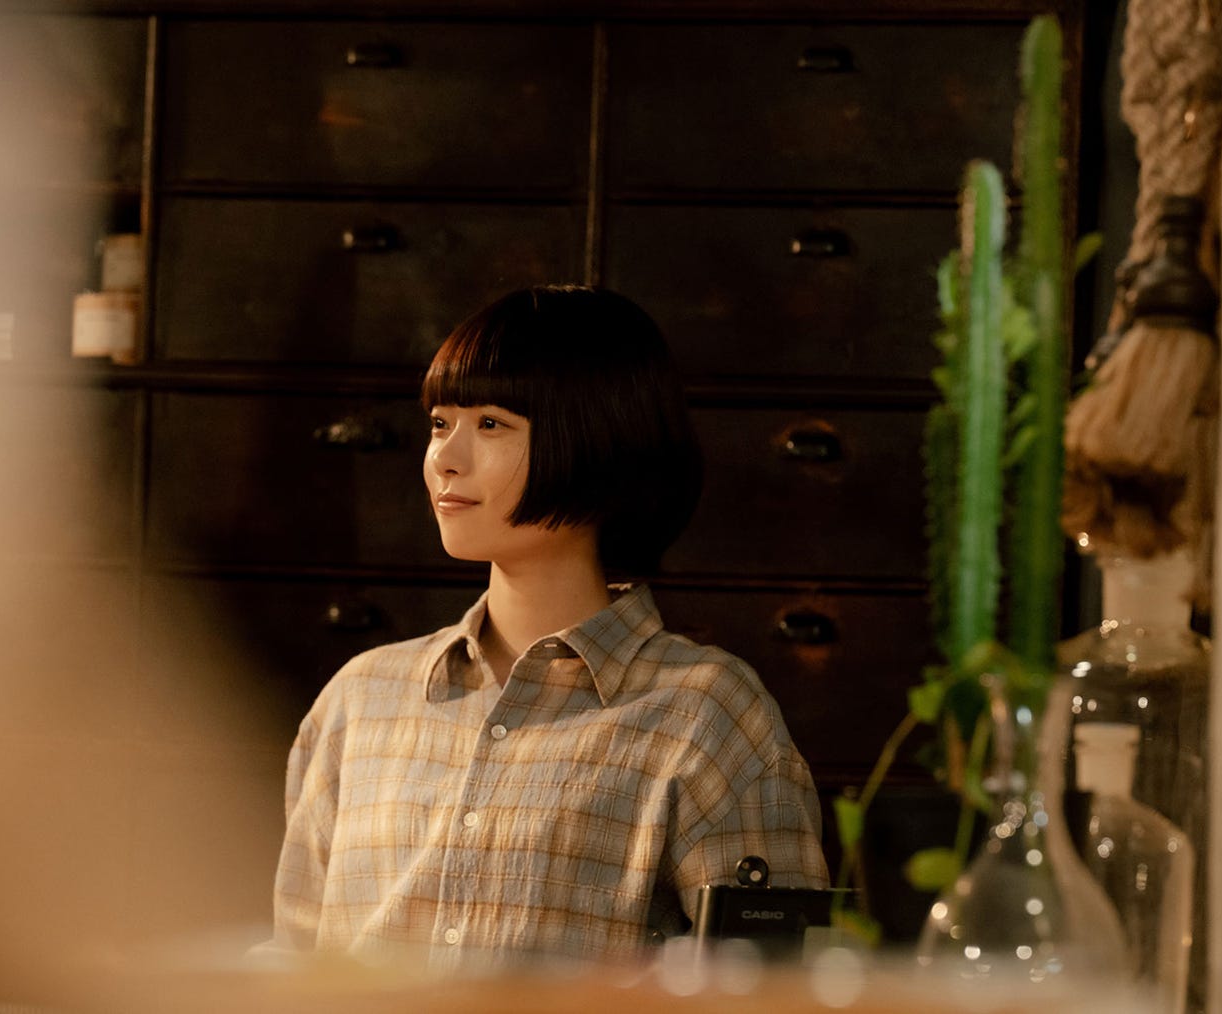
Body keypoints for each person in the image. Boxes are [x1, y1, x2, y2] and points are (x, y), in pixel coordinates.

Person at [269, 285, 829, 972]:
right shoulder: (362, 699)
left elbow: (772, 988)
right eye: (441, 423)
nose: (445, 457)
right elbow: (292, 965)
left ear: (595, 440)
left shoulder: (706, 712)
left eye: (491, 424)